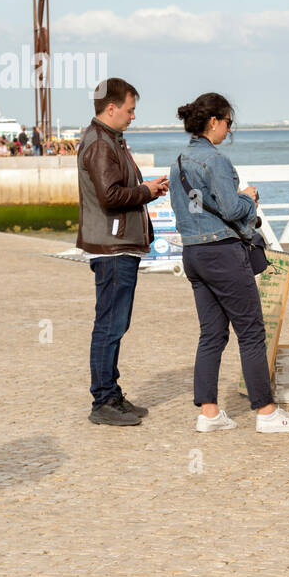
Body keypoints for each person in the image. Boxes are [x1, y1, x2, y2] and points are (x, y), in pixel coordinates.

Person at [170, 93, 289, 434]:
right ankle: (266, 412)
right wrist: (250, 198)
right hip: (222, 253)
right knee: (250, 332)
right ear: (213, 122)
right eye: (229, 123)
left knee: (211, 334)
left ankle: (210, 413)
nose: (230, 130)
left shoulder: (179, 162)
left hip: (194, 254)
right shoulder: (214, 161)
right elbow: (231, 211)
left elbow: (193, 211)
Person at [76, 78, 168, 426]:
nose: (133, 116)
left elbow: (115, 190)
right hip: (112, 247)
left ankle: (110, 393)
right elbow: (110, 196)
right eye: (130, 110)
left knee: (114, 322)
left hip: (115, 244)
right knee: (110, 324)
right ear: (110, 108)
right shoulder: (101, 143)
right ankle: (103, 400)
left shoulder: (106, 138)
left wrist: (146, 189)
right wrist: (145, 190)